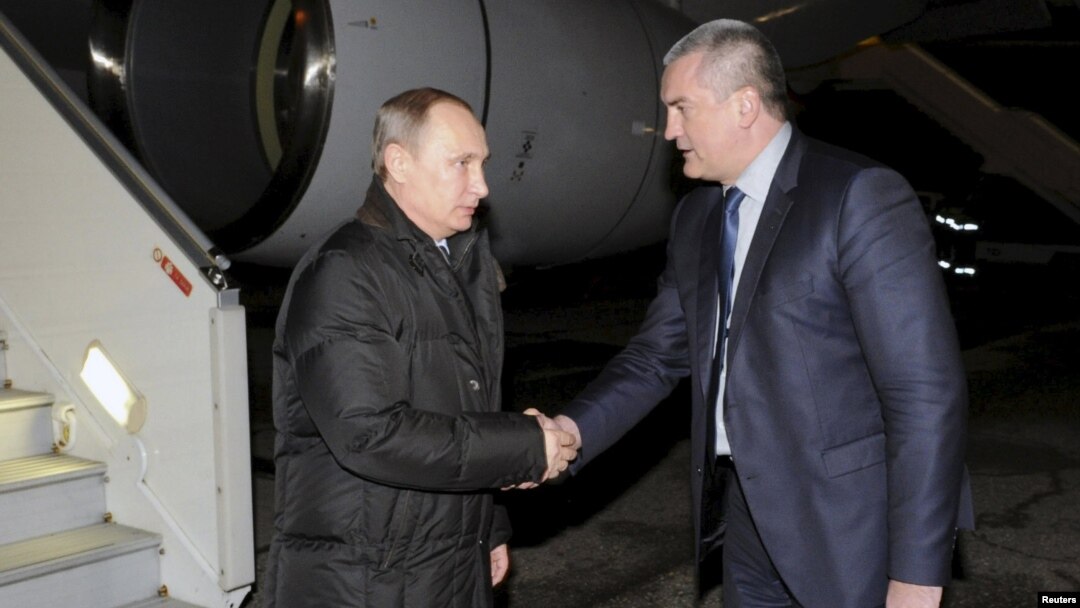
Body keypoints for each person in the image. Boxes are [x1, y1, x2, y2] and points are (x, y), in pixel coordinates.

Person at [551, 20, 974, 608]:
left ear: (744, 105)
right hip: (746, 517)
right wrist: (570, 431)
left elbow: (923, 394)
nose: (668, 130)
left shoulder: (859, 196)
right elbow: (655, 357)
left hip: (849, 527)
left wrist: (917, 573)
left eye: (681, 108)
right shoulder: (696, 218)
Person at [264, 87, 577, 608]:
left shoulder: (456, 266)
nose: (481, 184)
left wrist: (489, 526)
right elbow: (369, 433)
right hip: (367, 579)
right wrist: (524, 447)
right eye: (461, 163)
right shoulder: (345, 272)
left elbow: (463, 412)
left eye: (482, 163)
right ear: (399, 163)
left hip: (442, 563)